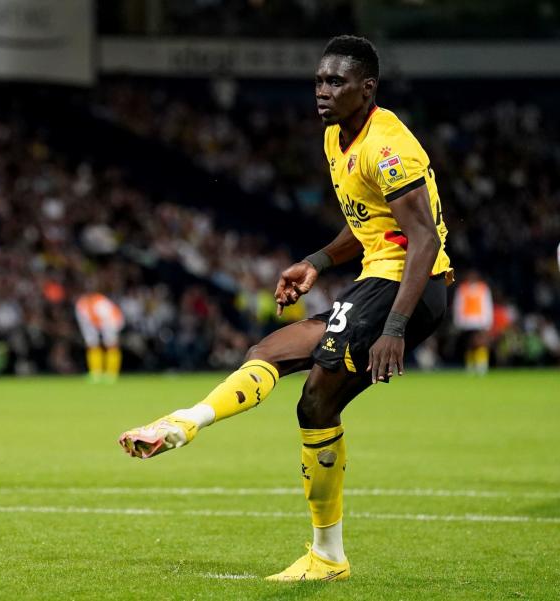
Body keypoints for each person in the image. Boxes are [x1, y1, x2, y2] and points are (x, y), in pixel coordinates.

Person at [118, 35, 452, 582]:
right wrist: (317, 261)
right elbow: (369, 224)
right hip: (376, 280)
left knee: (316, 398)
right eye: (320, 80)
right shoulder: (335, 138)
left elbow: (423, 241)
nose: (322, 90)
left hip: (407, 288)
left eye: (336, 81)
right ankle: (185, 423)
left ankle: (326, 556)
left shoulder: (389, 146)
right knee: (272, 353)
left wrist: (395, 326)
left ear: (367, 88)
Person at [74, 292, 125, 382]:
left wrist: (112, 329)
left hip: (110, 321)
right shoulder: (81, 304)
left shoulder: (101, 303)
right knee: (92, 345)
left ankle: (111, 373)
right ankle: (96, 372)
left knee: (111, 345)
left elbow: (112, 317)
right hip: (94, 324)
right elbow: (85, 322)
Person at [452, 270, 493, 374]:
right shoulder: (462, 288)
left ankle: (482, 365)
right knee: (469, 345)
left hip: (479, 321)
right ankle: (470, 366)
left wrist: (487, 321)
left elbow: (487, 305)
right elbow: (458, 305)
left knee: (481, 343)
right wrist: (458, 321)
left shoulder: (483, 288)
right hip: (466, 322)